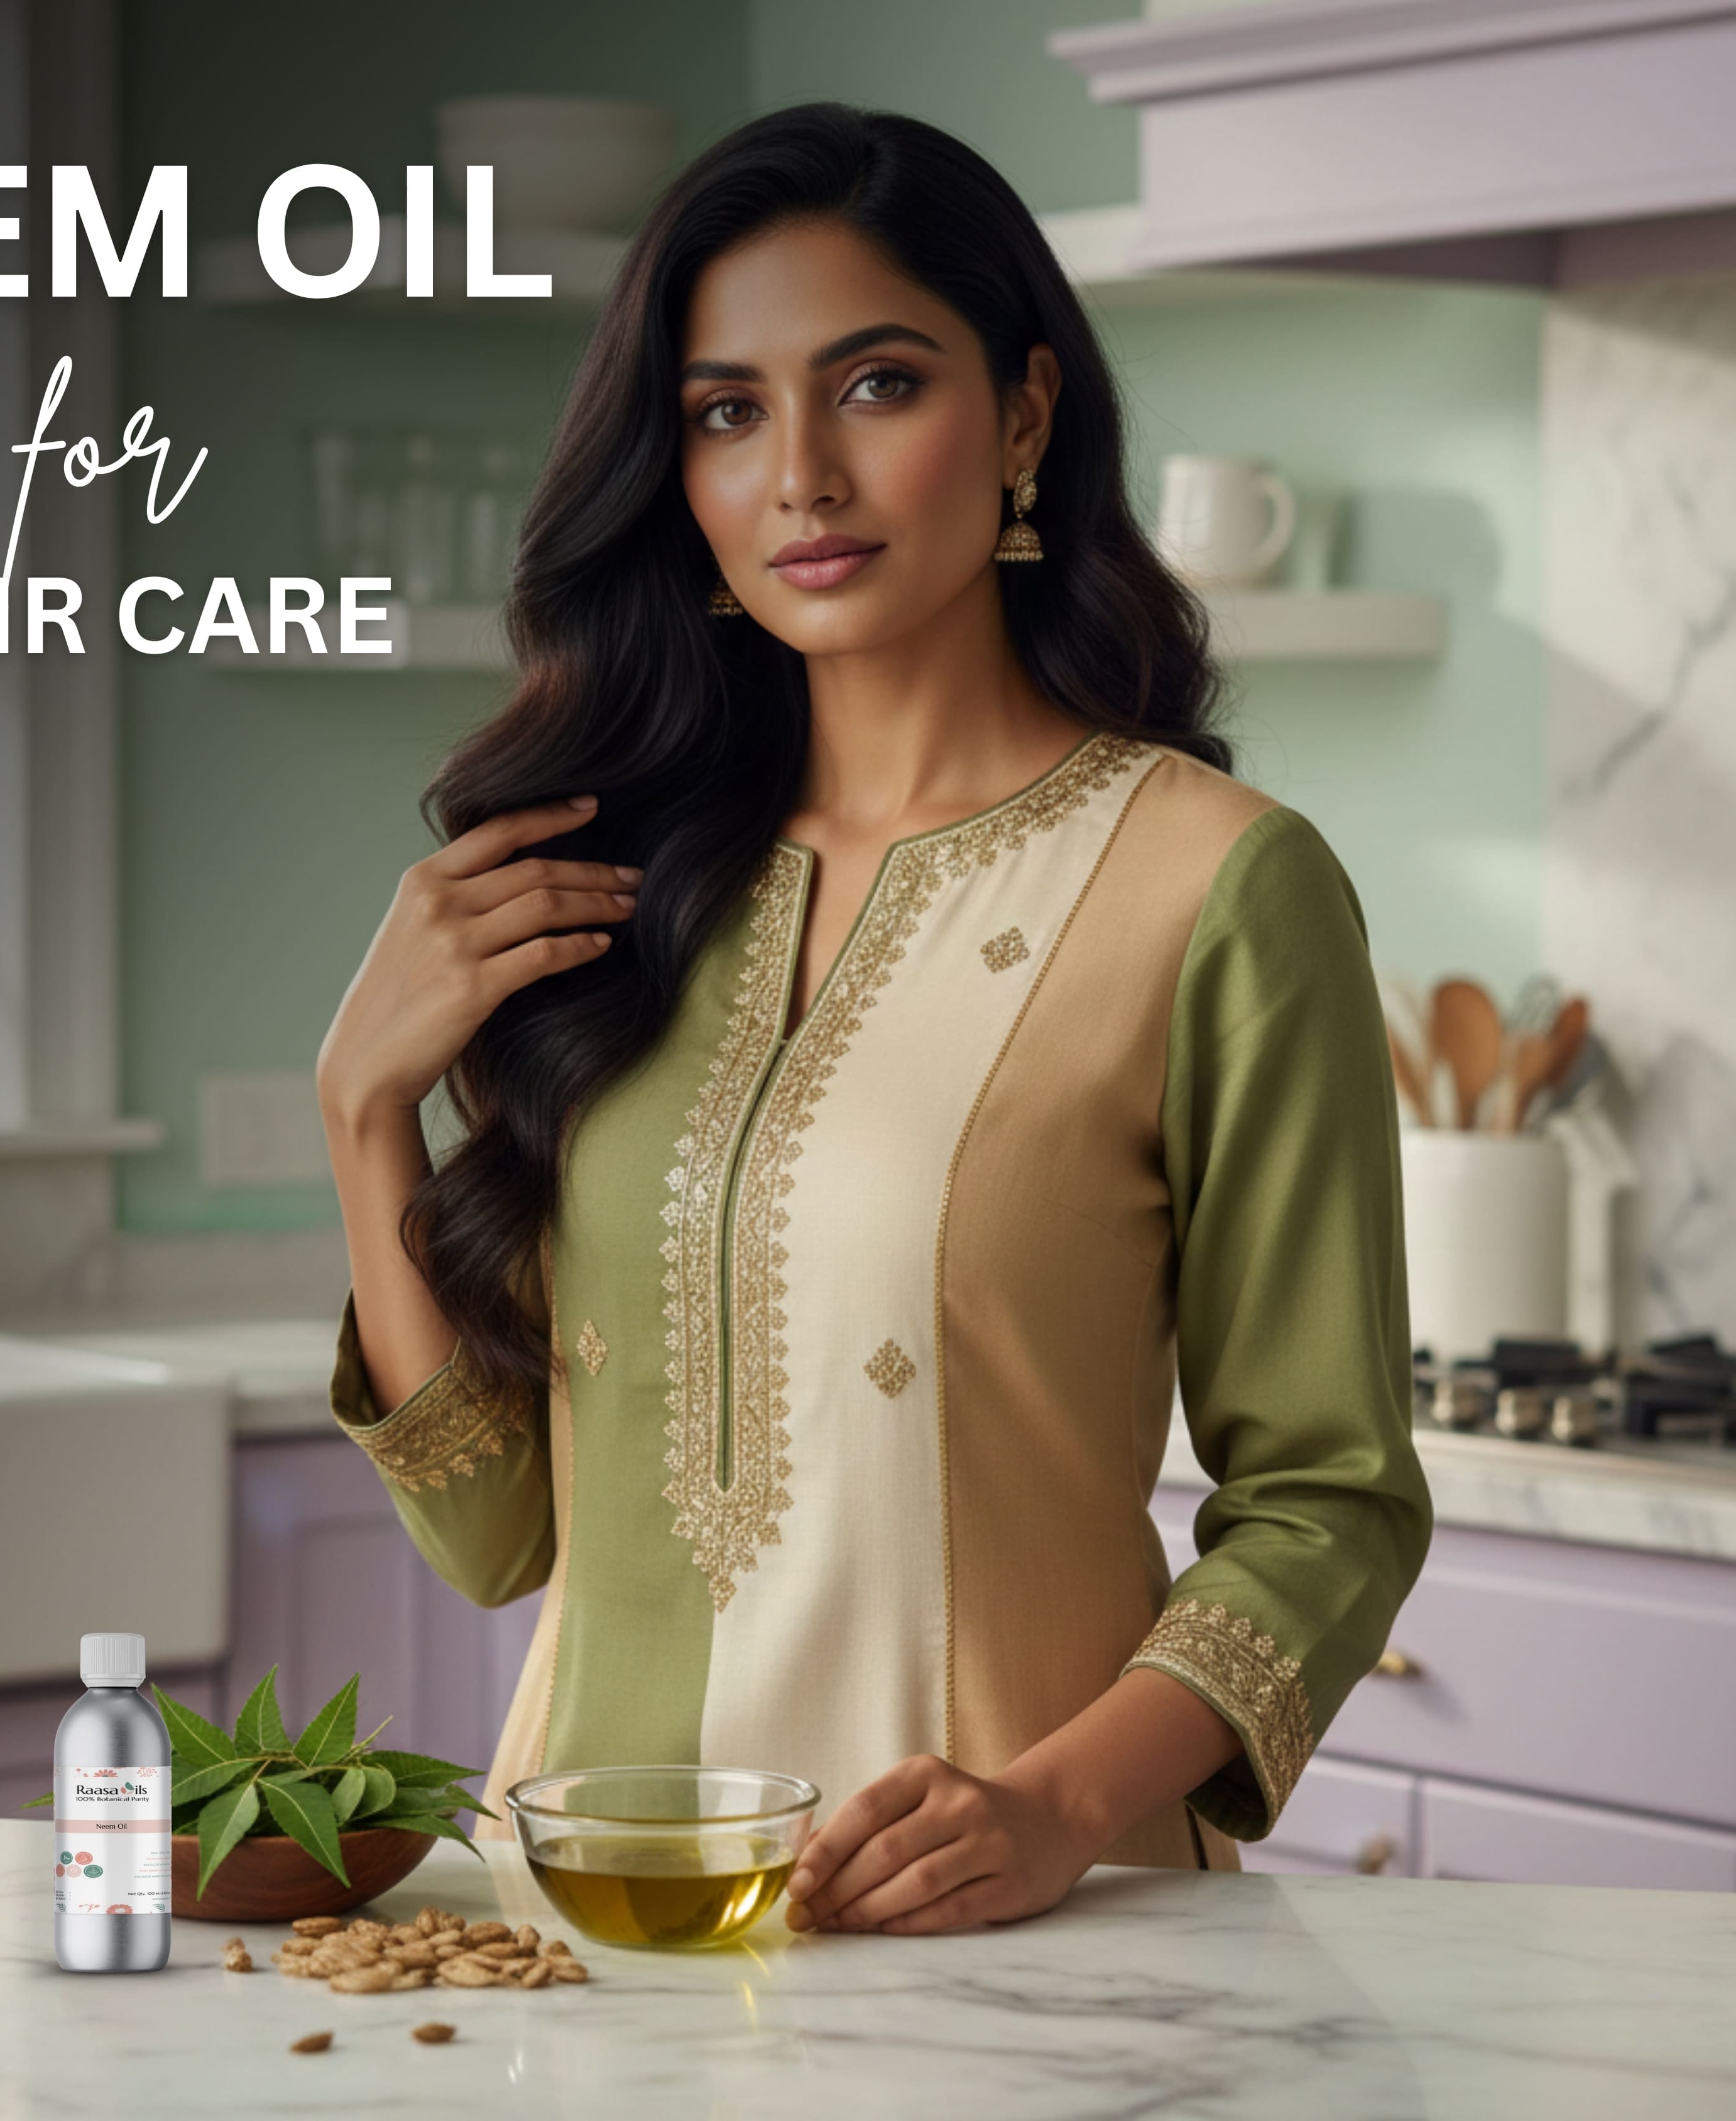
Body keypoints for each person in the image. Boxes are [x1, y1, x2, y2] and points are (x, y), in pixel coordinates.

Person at [315, 103, 1431, 1936]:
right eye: (728, 411)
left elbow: (1333, 1502)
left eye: (880, 385)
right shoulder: (631, 889)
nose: (801, 477)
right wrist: (364, 1110)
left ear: (1026, 417)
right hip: (589, 1931)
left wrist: (1054, 1807)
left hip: (1009, 1934)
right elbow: (496, 1535)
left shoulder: (1218, 888)